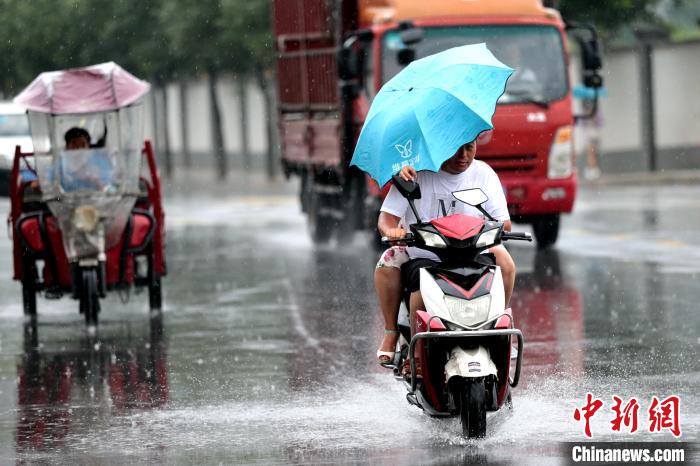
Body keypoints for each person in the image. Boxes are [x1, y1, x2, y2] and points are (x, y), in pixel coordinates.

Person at [375, 139, 515, 367]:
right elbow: (387, 217)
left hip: (471, 253)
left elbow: (503, 223)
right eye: (455, 148)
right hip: (424, 257)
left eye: (469, 147)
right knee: (394, 268)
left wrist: (488, 228)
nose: (463, 156)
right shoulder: (413, 173)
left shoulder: (484, 174)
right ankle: (400, 339)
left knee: (506, 263)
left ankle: (499, 326)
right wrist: (391, 230)